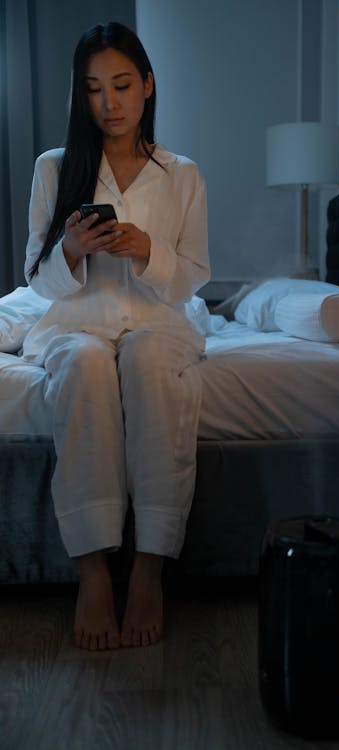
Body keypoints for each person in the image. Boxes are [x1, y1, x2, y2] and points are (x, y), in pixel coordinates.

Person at [23, 21, 210, 651]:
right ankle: (94, 571)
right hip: (77, 321)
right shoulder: (55, 168)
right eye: (95, 89)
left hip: (157, 321)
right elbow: (36, 281)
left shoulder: (182, 175)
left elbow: (193, 278)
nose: (110, 103)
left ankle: (150, 567)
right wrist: (71, 251)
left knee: (151, 359)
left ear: (148, 85)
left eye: (123, 85)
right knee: (81, 366)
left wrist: (149, 251)